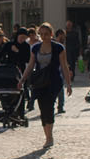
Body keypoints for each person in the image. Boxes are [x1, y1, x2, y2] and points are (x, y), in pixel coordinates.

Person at [19, 21, 69, 149]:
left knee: (49, 106)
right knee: (42, 108)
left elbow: (64, 66)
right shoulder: (35, 48)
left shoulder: (59, 48)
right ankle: (47, 135)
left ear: (51, 34)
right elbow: (31, 65)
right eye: (41, 34)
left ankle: (49, 137)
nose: (44, 36)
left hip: (54, 81)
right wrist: (22, 79)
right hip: (40, 81)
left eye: (46, 34)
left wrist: (68, 83)